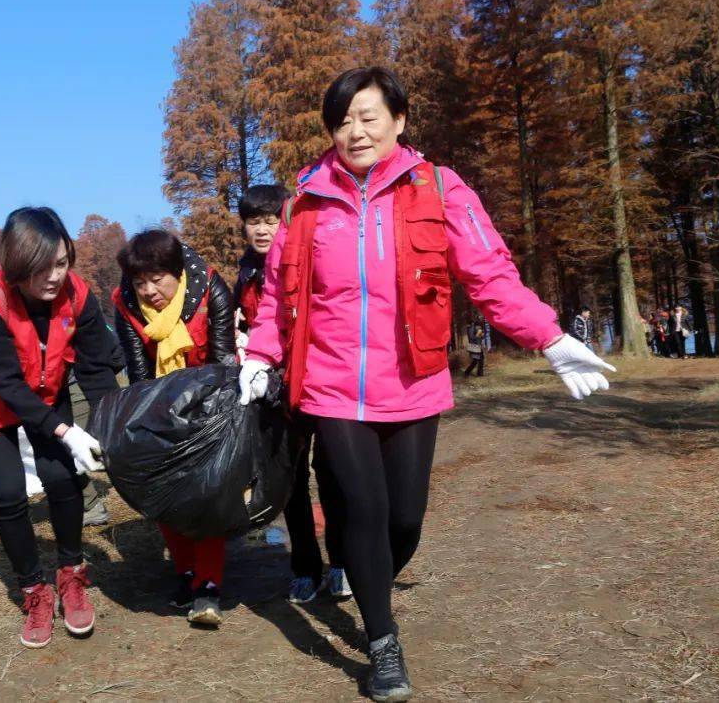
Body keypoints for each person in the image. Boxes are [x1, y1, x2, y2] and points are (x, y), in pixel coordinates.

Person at [238, 67, 615, 702]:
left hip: (413, 380)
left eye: (367, 117)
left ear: (399, 120)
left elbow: (490, 274)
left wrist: (547, 338)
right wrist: (263, 354)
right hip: (331, 385)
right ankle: (382, 642)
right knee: (363, 509)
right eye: (341, 122)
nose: (354, 132)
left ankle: (365, 575)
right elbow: (278, 293)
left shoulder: (439, 189)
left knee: (404, 521)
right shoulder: (302, 201)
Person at [0, 206, 123, 650]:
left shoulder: (79, 295)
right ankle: (34, 590)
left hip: (48, 392)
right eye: (41, 268)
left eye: (62, 262)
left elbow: (95, 367)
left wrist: (106, 425)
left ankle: (71, 574)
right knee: (9, 493)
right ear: (15, 267)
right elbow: (7, 384)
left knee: (64, 478)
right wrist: (66, 432)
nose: (54, 276)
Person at [112, 229, 236, 627]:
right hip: (160, 402)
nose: (149, 290)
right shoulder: (126, 304)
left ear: (177, 273)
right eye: (139, 281)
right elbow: (138, 371)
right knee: (164, 490)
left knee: (207, 493)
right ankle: (185, 571)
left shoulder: (210, 288)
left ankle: (209, 585)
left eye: (157, 279)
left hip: (211, 396)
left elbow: (222, 357)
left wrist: (209, 419)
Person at [236, 184, 351, 604]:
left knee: (333, 471)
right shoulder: (245, 273)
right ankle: (304, 566)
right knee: (290, 481)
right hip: (272, 392)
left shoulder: (309, 258)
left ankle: (340, 562)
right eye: (253, 221)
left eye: (269, 220)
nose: (262, 230)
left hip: (319, 380)